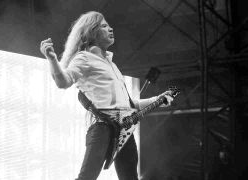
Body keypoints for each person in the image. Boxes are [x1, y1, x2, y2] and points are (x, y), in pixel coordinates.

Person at [40, 11, 174, 180]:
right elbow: (63, 82)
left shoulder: (113, 66)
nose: (111, 29)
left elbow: (127, 105)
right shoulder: (84, 58)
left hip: (125, 130)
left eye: (109, 26)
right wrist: (52, 59)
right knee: (87, 177)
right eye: (104, 26)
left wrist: (158, 100)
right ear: (91, 32)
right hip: (102, 126)